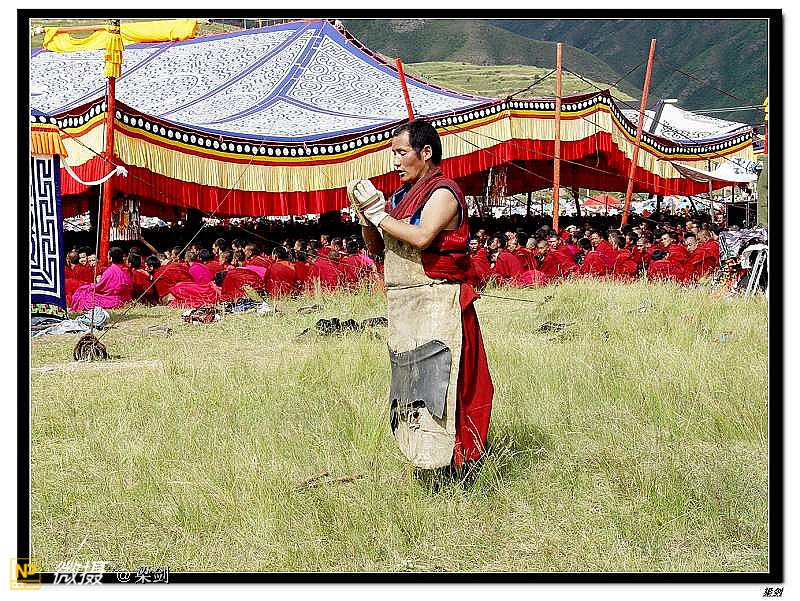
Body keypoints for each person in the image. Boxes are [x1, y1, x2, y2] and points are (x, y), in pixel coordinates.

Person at [348, 119, 493, 470]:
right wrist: (366, 218)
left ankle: (465, 466)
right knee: (412, 386)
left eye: (401, 153)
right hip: (407, 307)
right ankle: (428, 462)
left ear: (425, 153)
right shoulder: (400, 197)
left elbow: (423, 236)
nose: (395, 162)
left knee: (449, 384)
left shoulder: (444, 192)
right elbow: (377, 248)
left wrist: (379, 215)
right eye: (393, 154)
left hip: (442, 306)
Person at [69, 246, 133, 311]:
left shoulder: (109, 271)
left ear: (111, 258)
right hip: (125, 299)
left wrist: (88, 287)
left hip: (113, 299)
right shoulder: (126, 270)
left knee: (83, 294)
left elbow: (99, 287)